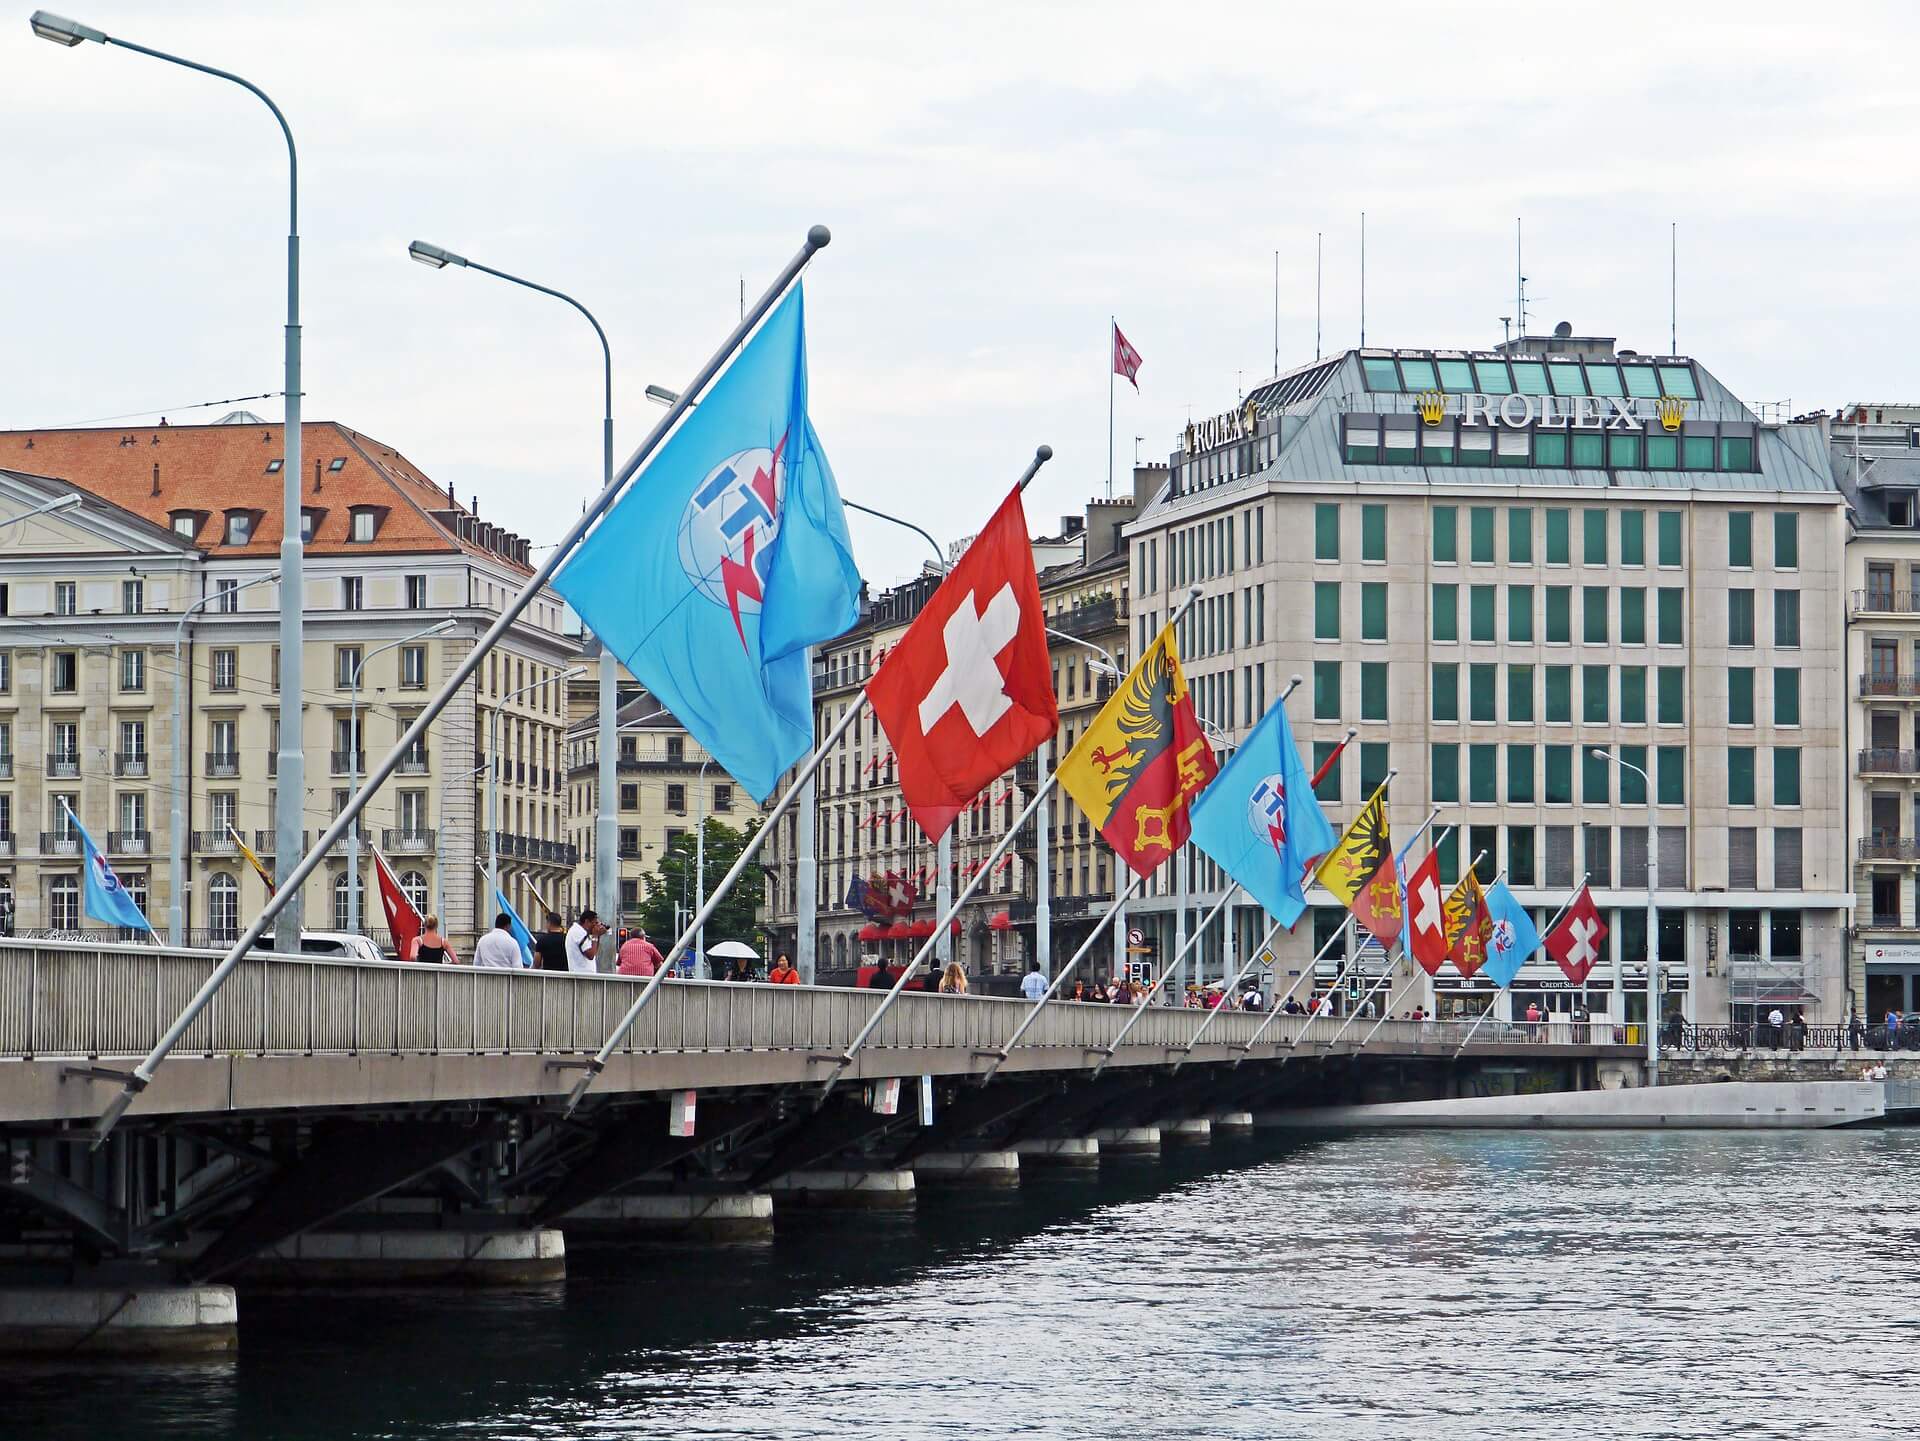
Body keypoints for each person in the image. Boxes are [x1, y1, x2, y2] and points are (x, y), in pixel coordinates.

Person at [565, 910, 603, 975]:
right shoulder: (578, 932)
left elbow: (594, 952)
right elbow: (590, 955)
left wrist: (598, 935)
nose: (595, 926)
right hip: (582, 976)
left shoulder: (580, 932)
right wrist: (595, 936)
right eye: (595, 923)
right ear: (587, 922)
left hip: (584, 975)